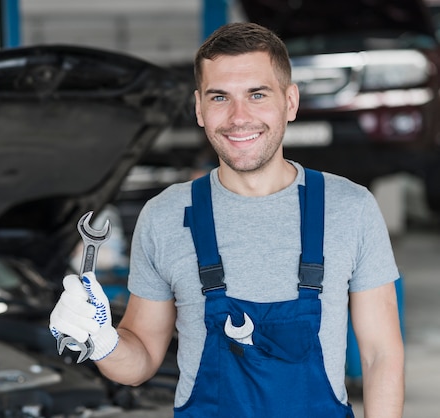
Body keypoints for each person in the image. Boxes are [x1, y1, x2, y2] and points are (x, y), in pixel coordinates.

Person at [49, 22, 404, 417]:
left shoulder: (350, 208)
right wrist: (101, 340)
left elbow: (380, 356)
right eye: (220, 97)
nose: (239, 117)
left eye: (257, 94)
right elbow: (141, 361)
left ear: (290, 102)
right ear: (199, 108)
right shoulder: (165, 216)